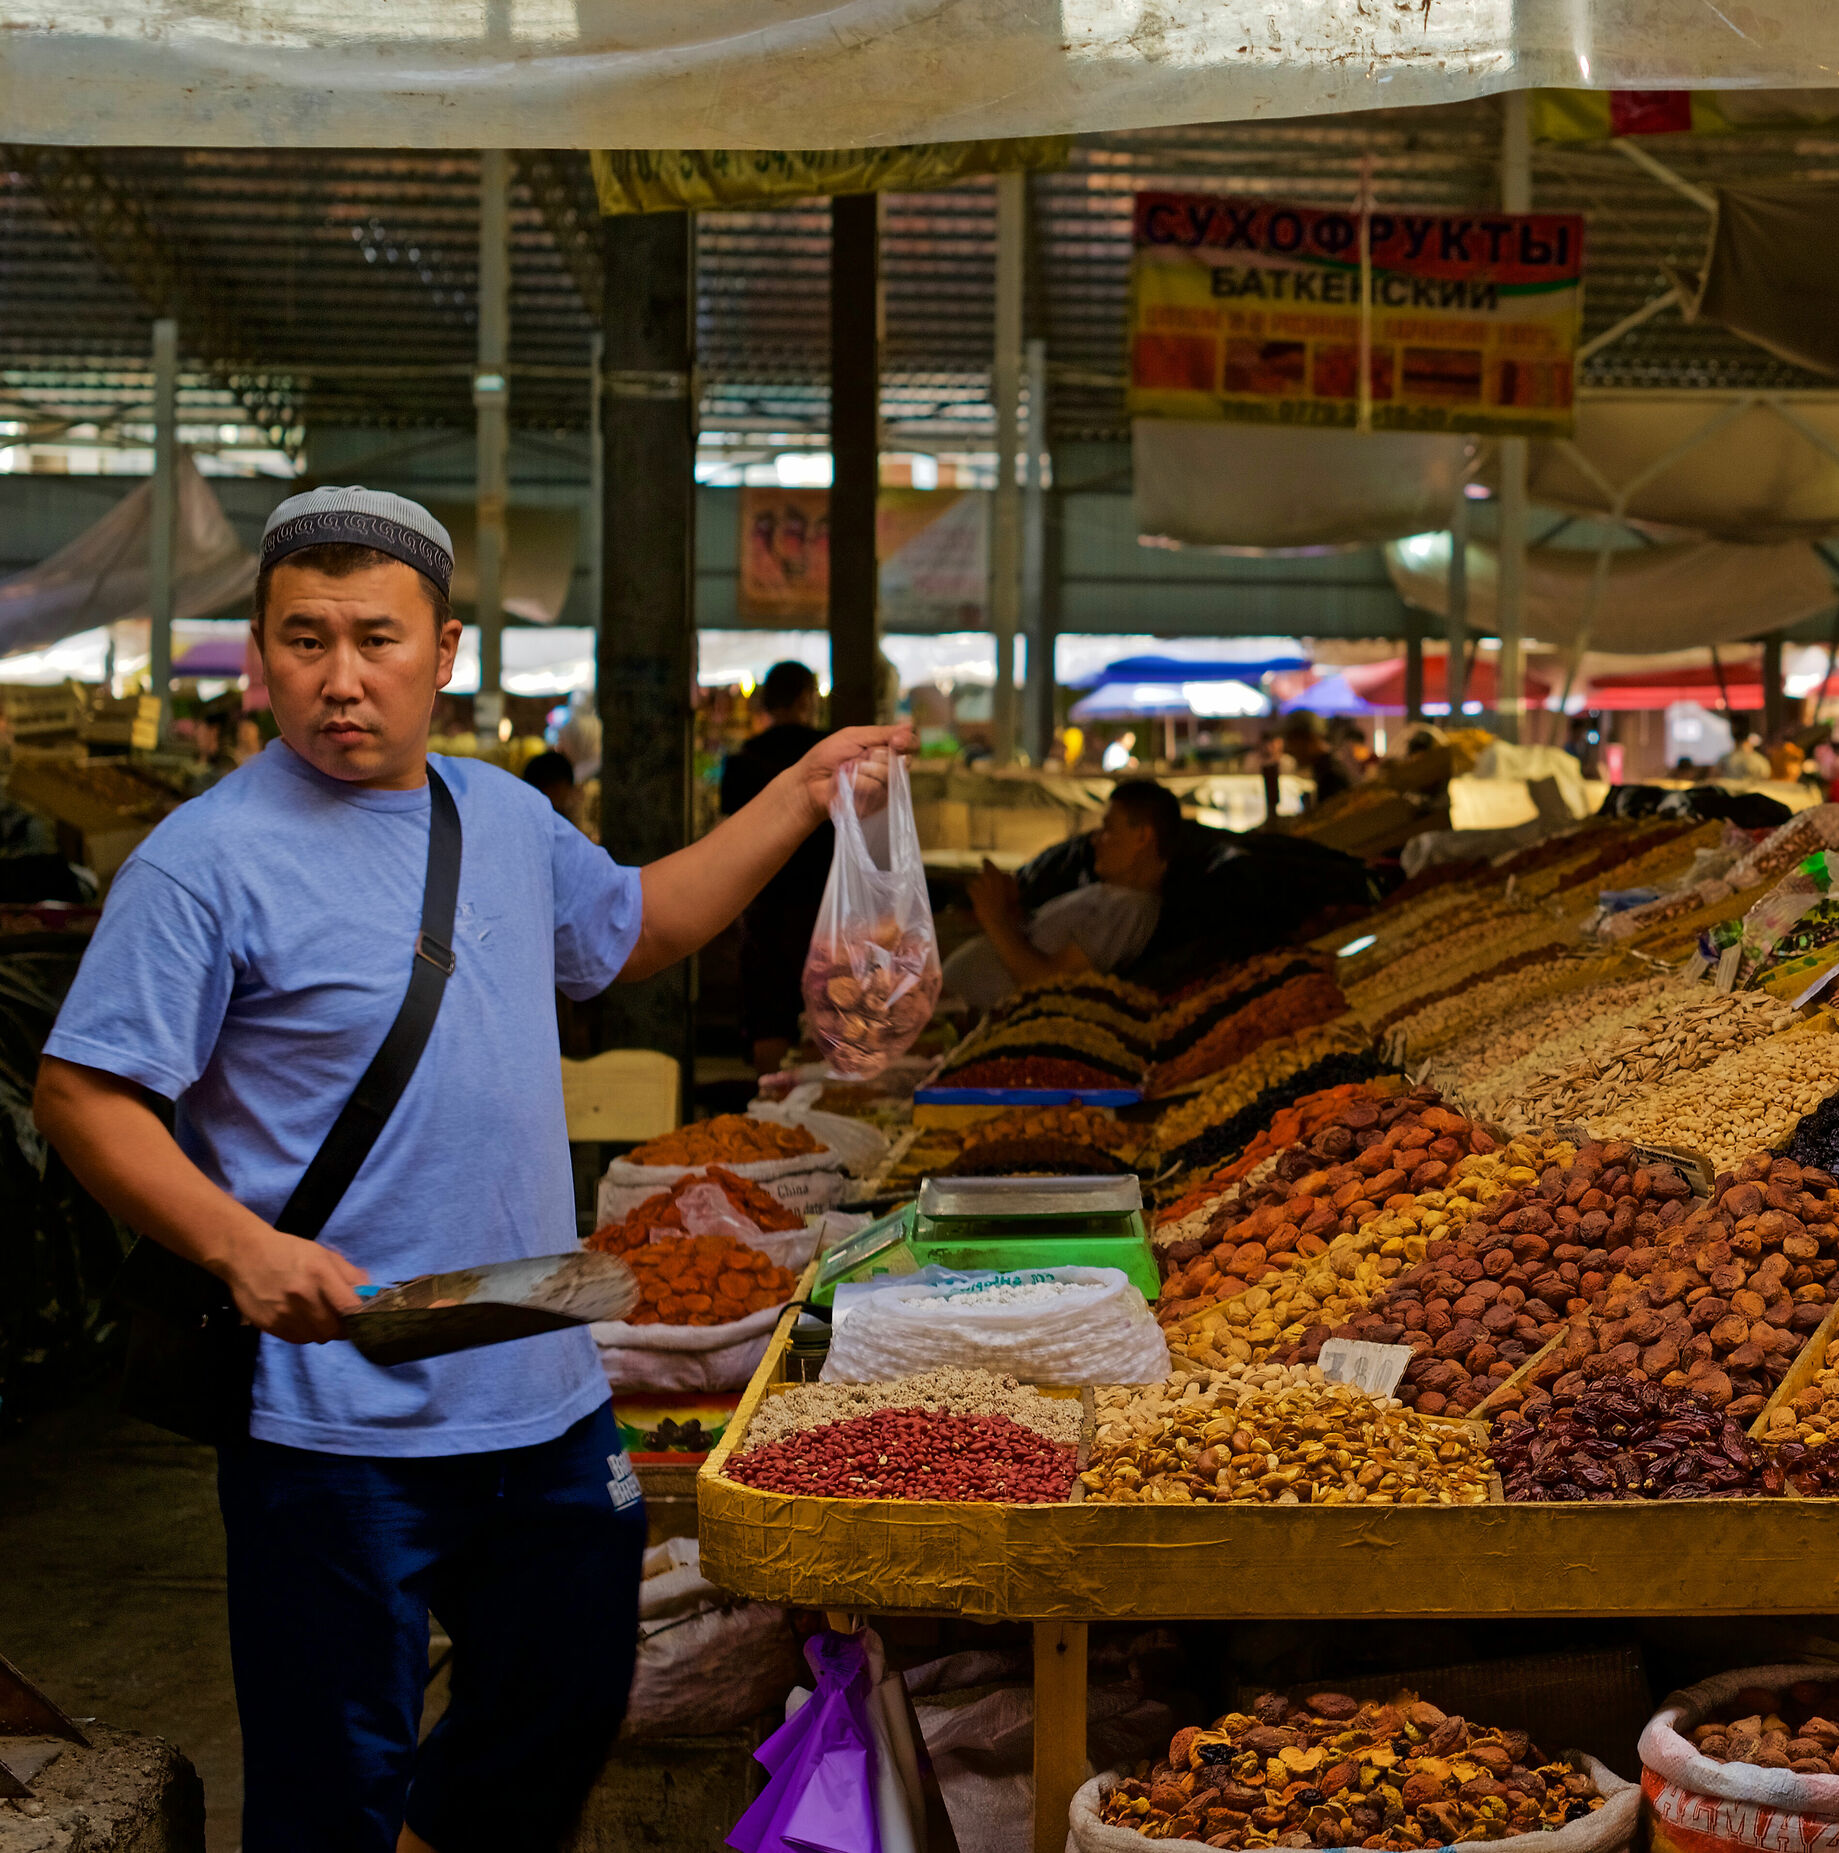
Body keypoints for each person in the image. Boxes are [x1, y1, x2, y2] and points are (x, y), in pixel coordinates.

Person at [31, 488, 911, 1853]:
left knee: (563, 1702)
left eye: (374, 639)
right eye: (303, 640)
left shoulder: (497, 818)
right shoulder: (200, 864)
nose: (339, 679)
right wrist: (240, 1248)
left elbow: (636, 927)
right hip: (333, 1426)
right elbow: (82, 1093)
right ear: (259, 651)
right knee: (332, 1783)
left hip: (541, 1381)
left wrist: (801, 795)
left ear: (443, 651)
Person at [948, 779, 1181, 1008]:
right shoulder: (1106, 895)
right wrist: (1012, 914)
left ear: (1142, 836)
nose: (1094, 839)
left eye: (1108, 828)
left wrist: (995, 919)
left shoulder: (1130, 908)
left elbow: (1049, 985)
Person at [720, 661, 832, 1074]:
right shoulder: (831, 756)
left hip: (765, 911)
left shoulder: (743, 762)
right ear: (806, 699)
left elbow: (728, 843)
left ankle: (771, 1114)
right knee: (828, 1018)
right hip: (826, 910)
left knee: (769, 1018)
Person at [1279, 711, 1355, 807]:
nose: (1288, 750)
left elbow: (1332, 819)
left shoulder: (1330, 776)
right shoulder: (1327, 767)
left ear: (1308, 738)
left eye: (1291, 740)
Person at [521, 748, 582, 826]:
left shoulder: (521, 820)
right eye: (568, 788)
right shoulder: (557, 826)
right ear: (557, 787)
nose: (570, 797)